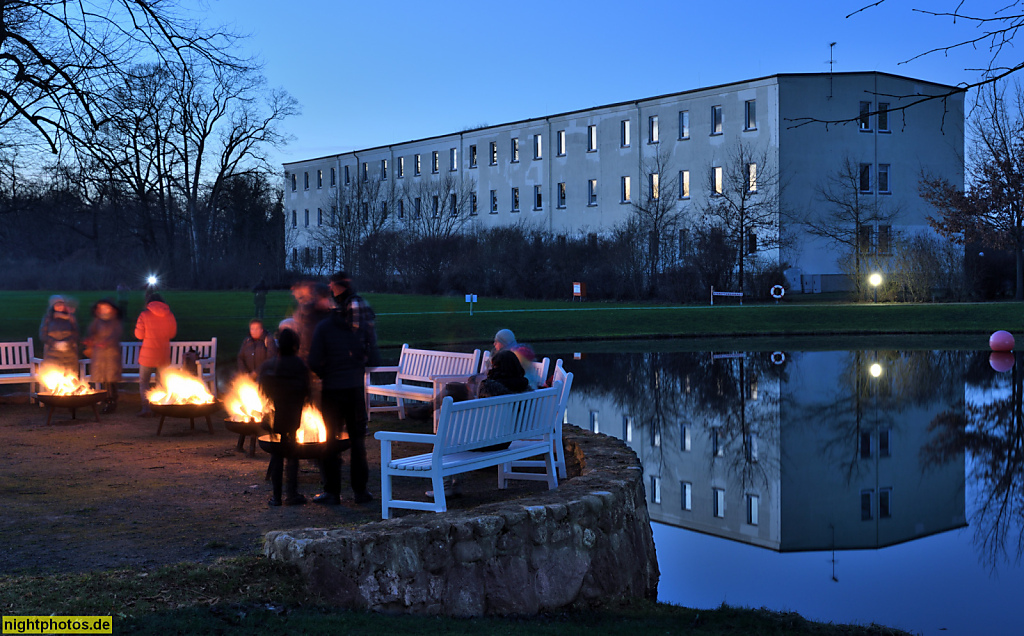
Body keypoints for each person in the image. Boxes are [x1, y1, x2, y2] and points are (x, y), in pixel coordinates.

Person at [307, 273, 376, 505]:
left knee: (331, 441)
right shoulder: (357, 330)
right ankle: (360, 491)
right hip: (354, 388)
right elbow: (366, 354)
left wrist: (326, 374)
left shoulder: (324, 328)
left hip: (333, 391)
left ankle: (332, 491)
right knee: (358, 442)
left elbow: (314, 361)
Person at [258, 328, 308, 507]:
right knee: (292, 455)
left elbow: (262, 391)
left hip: (274, 415)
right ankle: (292, 494)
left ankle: (276, 497)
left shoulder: (270, 365)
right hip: (292, 415)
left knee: (277, 455)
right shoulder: (299, 365)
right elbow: (306, 391)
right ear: (295, 345)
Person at [134, 293, 177, 417]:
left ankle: (146, 408)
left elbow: (139, 335)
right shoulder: (169, 315)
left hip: (147, 355)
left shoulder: (144, 315)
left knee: (144, 382)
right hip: (163, 354)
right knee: (161, 381)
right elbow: (172, 333)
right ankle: (160, 407)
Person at [85, 299, 123, 413]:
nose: (103, 310)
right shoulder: (97, 321)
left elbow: (115, 335)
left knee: (110, 379)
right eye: (101, 308)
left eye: (106, 307)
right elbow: (91, 333)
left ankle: (111, 402)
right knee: (103, 379)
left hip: (110, 355)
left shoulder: (114, 322)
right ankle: (106, 400)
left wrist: (106, 343)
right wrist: (90, 341)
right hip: (99, 355)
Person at [39, 295, 80, 373]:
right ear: (52, 306)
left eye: (62, 304)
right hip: (52, 353)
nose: (60, 307)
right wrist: (55, 343)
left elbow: (76, 333)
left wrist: (67, 343)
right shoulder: (48, 318)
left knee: (70, 377)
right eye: (57, 305)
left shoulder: (71, 318)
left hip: (69, 354)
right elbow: (43, 334)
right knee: (54, 376)